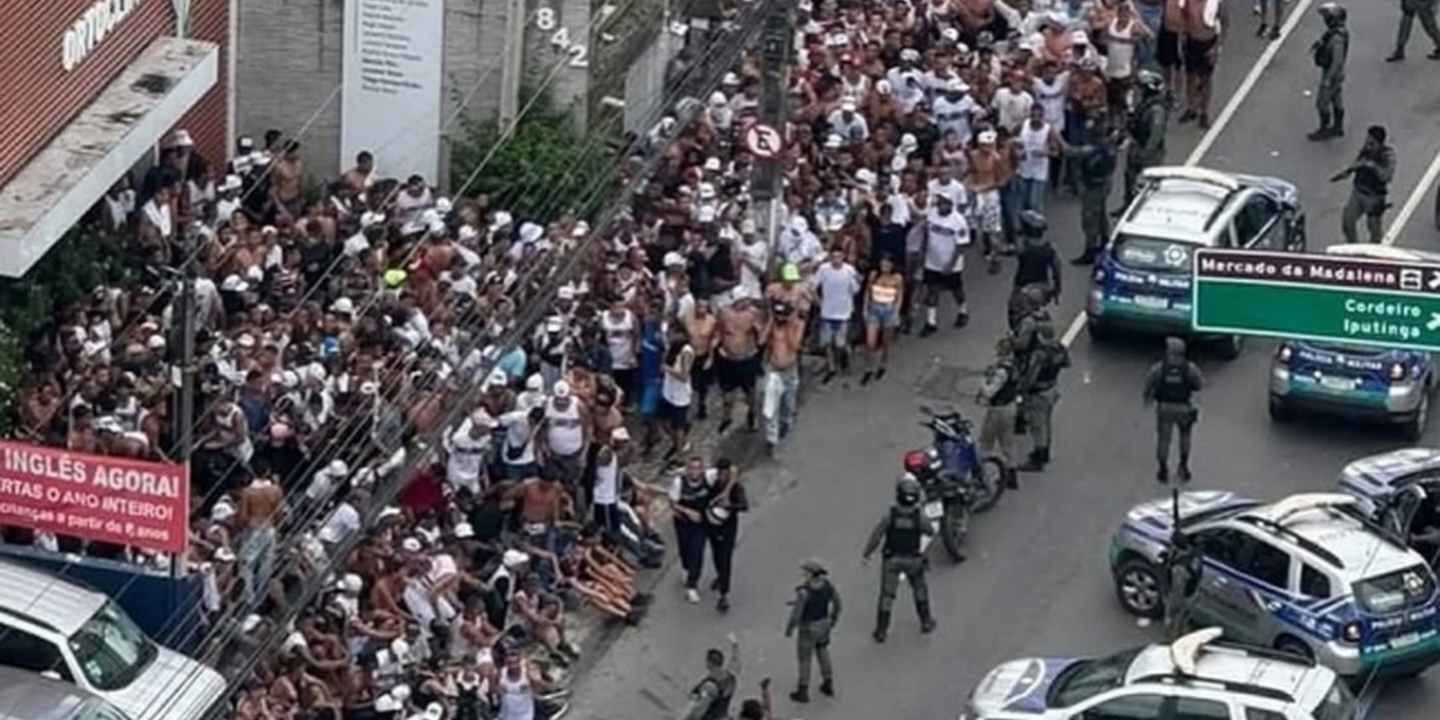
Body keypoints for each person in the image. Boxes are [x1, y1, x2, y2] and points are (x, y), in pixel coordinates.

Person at [861, 475, 936, 642]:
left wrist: (867, 553)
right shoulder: (919, 516)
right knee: (919, 590)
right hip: (913, 560)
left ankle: (881, 631)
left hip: (891, 559)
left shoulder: (890, 514)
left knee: (887, 595)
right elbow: (930, 531)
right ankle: (926, 622)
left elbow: (877, 535)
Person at [1143, 337, 1203, 483]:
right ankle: (1183, 465)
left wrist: (1147, 398)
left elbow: (1149, 383)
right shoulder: (1189, 368)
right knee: (1185, 437)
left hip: (1164, 407)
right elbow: (1199, 384)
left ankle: (1163, 469)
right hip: (1184, 407)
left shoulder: (1159, 368)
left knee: (1163, 440)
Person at [785, 559, 841, 703]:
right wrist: (833, 619)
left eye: (805, 572)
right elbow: (838, 604)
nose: (803, 574)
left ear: (811, 574)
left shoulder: (804, 592)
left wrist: (790, 628)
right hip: (823, 624)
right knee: (823, 651)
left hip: (808, 627)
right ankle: (828, 681)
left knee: (805, 659)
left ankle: (803, 690)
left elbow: (797, 614)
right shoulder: (828, 586)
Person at [919, 194, 972, 337]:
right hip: (932, 261)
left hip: (951, 264)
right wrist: (923, 253)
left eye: (945, 203)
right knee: (932, 290)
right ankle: (931, 322)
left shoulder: (958, 221)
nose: (942, 206)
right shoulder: (931, 215)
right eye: (940, 203)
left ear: (950, 204)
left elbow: (962, 245)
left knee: (956, 290)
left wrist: (951, 263)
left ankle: (962, 310)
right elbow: (926, 235)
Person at [1018, 324, 1070, 472]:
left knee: (1037, 425)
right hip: (1052, 388)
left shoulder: (1040, 353)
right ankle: (1045, 449)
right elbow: (1067, 363)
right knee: (1046, 422)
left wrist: (1022, 390)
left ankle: (1038, 457)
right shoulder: (1059, 349)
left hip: (1039, 392)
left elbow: (1031, 376)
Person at [1334, 126, 1397, 244]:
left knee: (1374, 228)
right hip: (1358, 192)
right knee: (1348, 221)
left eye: (1371, 141)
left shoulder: (1388, 156)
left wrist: (1373, 166)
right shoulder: (1366, 149)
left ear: (1379, 143)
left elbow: (1387, 177)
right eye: (1367, 139)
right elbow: (1358, 162)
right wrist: (1349, 170)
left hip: (1374, 197)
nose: (1367, 143)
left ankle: (1373, 252)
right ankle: (1353, 247)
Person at [1070, 121, 1118, 265]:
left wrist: (1057, 139)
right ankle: (1105, 240)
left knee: (1089, 218)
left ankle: (1090, 250)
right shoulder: (1108, 145)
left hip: (1093, 186)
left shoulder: (1092, 149)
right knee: (1101, 212)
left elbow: (1071, 151)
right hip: (1105, 183)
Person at [670, 457, 717, 604]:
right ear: (687, 469)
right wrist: (687, 511)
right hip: (683, 522)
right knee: (685, 549)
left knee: (697, 551)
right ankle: (686, 568)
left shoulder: (709, 476)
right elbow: (672, 502)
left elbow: (732, 471)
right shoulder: (679, 483)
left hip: (700, 522)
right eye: (692, 468)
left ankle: (692, 585)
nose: (695, 472)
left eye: (698, 468)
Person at [977, 336, 1021, 488]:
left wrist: (983, 382)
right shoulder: (1015, 367)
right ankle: (1012, 474)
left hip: (998, 410)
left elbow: (990, 392)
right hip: (1011, 407)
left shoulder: (1002, 371)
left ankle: (982, 476)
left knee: (985, 443)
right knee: (1007, 444)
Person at [762, 301, 806, 456]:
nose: (780, 318)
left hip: (790, 371)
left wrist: (788, 327)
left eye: (783, 315)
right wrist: (770, 324)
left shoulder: (797, 325)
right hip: (774, 371)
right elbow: (761, 340)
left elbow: (795, 346)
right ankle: (771, 439)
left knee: (788, 405)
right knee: (771, 407)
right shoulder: (772, 326)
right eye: (778, 315)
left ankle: (786, 428)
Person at [705, 458, 747, 613]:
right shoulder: (713, 483)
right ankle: (719, 575)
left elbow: (744, 505)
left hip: (728, 527)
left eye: (725, 472)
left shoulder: (737, 487)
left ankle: (724, 594)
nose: (722, 475)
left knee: (726, 557)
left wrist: (730, 506)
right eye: (720, 472)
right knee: (716, 554)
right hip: (713, 525)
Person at [813, 248, 861, 383]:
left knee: (840, 343)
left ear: (843, 257)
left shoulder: (849, 270)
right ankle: (831, 367)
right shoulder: (824, 269)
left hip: (843, 312)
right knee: (827, 342)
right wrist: (818, 301)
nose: (836, 260)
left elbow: (856, 289)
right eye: (833, 257)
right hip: (827, 312)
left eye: (839, 256)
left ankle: (845, 357)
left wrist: (856, 281)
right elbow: (813, 286)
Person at [1123, 71, 1169, 209]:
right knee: (1129, 177)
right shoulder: (1145, 103)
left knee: (1148, 182)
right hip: (1137, 144)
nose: (1139, 90)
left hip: (1149, 152)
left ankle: (1146, 208)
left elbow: (1156, 135)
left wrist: (1146, 154)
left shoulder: (1156, 110)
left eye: (1142, 87)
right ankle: (1128, 204)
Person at [1179, 0, 1227, 129]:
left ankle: (1204, 112)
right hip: (1191, 42)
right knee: (1190, 76)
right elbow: (1183, 16)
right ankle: (1191, 107)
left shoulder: (1215, 3)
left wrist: (1216, 47)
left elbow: (1224, 23)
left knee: (1206, 79)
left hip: (1207, 43)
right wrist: (1183, 36)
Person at [1309, 3, 1350, 142]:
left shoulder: (1337, 38)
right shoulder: (1335, 33)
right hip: (1337, 74)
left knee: (1322, 102)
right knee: (1336, 99)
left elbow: (1337, 61)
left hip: (1332, 74)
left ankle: (1324, 129)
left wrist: (1328, 79)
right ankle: (1338, 127)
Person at [861, 255, 905, 385]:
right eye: (882, 263)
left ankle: (883, 363)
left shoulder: (897, 278)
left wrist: (896, 312)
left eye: (887, 264)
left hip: (889, 309)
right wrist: (865, 308)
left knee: (886, 341)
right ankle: (869, 367)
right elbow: (867, 293)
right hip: (874, 308)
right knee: (870, 342)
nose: (884, 266)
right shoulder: (874, 275)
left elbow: (900, 295)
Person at [1011, 210, 1062, 314]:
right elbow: (1057, 270)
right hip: (1043, 288)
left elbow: (1006, 249)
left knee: (1014, 308)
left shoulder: (1023, 247)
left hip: (1022, 288)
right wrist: (1057, 289)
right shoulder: (1050, 248)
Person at [682, 635, 740, 720]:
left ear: (709, 663)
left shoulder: (710, 685)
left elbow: (699, 709)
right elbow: (736, 663)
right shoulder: (731, 677)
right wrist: (735, 645)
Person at [1162, 528, 1203, 640]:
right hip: (1194, 592)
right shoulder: (1195, 553)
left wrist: (1170, 614)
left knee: (1176, 625)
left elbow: (1176, 595)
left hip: (1184, 599)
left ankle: (1175, 640)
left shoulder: (1180, 569)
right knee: (1186, 619)